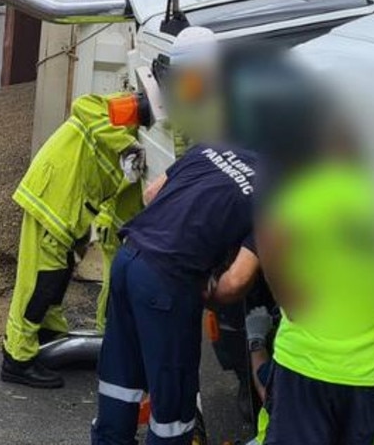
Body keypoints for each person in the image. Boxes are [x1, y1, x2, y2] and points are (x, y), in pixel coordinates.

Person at [94, 29, 263, 445]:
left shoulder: (211, 151)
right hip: (167, 280)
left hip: (131, 256)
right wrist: (206, 288)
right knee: (173, 404)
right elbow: (238, 281)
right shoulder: (278, 195)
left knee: (121, 377)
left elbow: (152, 193)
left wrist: (184, 220)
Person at [257, 103, 374, 445]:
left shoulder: (315, 187)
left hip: (305, 361)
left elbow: (270, 236)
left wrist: (285, 294)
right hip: (366, 369)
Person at [1, 92, 144, 389]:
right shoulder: (131, 111)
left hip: (69, 204)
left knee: (58, 275)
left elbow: (127, 200)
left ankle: (47, 336)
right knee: (40, 282)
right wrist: (126, 145)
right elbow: (85, 104)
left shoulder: (148, 138)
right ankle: (17, 358)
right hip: (54, 197)